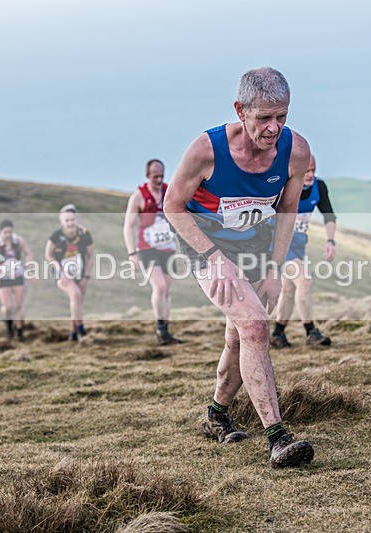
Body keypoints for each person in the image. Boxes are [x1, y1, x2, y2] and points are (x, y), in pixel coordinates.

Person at [164, 67, 315, 468]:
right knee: (255, 325)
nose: (274, 128)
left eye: (282, 116)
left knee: (238, 336)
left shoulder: (295, 151)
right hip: (205, 246)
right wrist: (216, 260)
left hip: (254, 247)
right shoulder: (206, 150)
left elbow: (287, 208)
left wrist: (275, 267)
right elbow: (172, 206)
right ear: (240, 109)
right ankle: (278, 438)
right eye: (264, 117)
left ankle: (216, 415)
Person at [269, 154, 337, 348]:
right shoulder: (283, 187)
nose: (310, 175)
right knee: (304, 280)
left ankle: (277, 333)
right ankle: (311, 332)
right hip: (279, 245)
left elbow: (329, 215)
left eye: (313, 170)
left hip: (299, 246)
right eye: (306, 171)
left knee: (289, 290)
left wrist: (330, 240)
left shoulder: (319, 187)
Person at [123, 159, 182, 345]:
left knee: (167, 290)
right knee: (160, 287)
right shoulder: (139, 197)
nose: (159, 179)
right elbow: (128, 226)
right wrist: (132, 254)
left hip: (167, 247)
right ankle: (160, 328)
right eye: (155, 176)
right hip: (147, 248)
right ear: (147, 176)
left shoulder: (168, 191)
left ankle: (165, 330)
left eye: (161, 176)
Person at [45, 205, 94, 342]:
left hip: (80, 273)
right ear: (62, 222)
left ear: (76, 219)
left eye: (72, 220)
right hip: (62, 273)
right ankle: (81, 330)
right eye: (67, 220)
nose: (70, 223)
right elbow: (48, 255)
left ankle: (73, 334)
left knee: (78, 303)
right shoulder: (55, 236)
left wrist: (86, 276)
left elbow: (91, 255)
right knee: (75, 294)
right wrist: (60, 271)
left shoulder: (85, 234)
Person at [0, 219, 34, 340]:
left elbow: (28, 254)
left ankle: (20, 330)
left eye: (9, 232)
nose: (7, 235)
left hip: (17, 275)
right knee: (7, 306)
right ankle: (9, 325)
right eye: (5, 232)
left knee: (19, 305)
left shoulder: (18, 240)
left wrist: (30, 270)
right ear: (1, 232)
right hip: (3, 276)